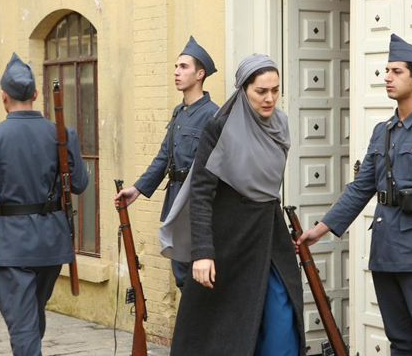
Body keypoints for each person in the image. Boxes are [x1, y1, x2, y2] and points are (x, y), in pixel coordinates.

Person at [298, 34, 412, 356]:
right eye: (386, 70)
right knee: (401, 342)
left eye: (396, 71)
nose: (387, 77)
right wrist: (320, 230)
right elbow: (361, 188)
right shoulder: (382, 131)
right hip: (386, 250)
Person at [166, 54, 305, 356]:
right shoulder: (219, 127)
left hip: (269, 237)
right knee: (228, 334)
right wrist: (202, 252)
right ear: (243, 89)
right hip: (230, 242)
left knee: (282, 326)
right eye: (261, 91)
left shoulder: (280, 124)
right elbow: (201, 192)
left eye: (275, 90)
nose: (270, 99)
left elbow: (268, 186)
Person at [0, 53, 88, 356]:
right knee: (30, 319)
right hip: (52, 245)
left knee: (24, 328)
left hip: (13, 246)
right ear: (35, 95)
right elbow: (80, 184)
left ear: (3, 96)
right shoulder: (62, 134)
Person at [115, 36, 218, 290]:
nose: (176, 72)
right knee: (181, 272)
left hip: (197, 203)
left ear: (200, 74)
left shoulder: (213, 115)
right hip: (175, 201)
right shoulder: (178, 112)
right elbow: (164, 157)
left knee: (197, 275)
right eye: (175, 66)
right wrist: (137, 189)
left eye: (183, 67)